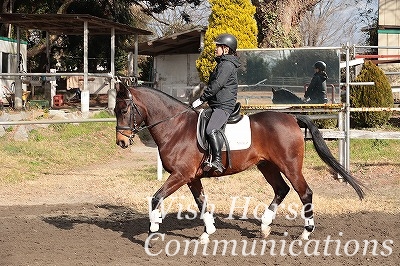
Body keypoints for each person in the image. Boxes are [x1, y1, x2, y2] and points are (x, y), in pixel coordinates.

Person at [192, 33, 241, 174]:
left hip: (223, 106)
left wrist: (201, 99)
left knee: (211, 129)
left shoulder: (226, 65)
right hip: (216, 104)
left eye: (218, 46)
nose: (215, 49)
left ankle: (217, 161)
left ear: (226, 49)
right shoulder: (223, 64)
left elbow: (217, 85)